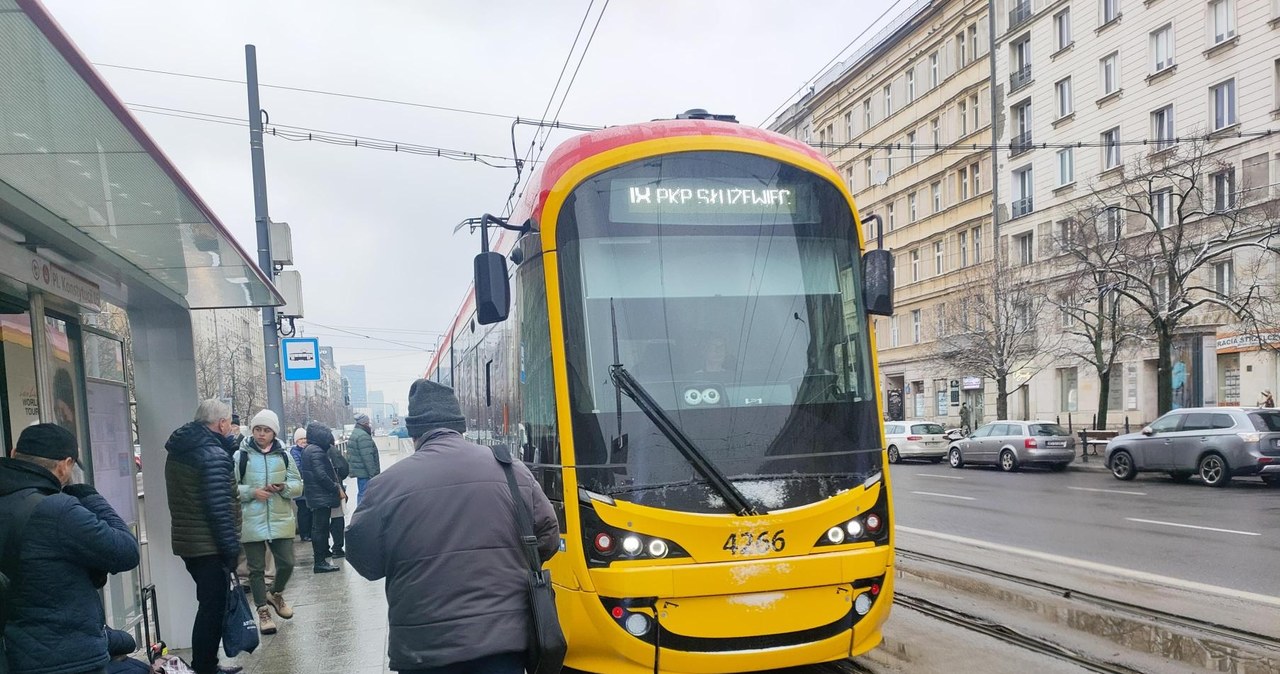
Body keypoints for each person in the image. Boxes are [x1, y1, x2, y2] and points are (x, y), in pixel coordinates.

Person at [347, 379, 559, 674]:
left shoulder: (386, 485)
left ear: (414, 433)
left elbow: (364, 561)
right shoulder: (512, 470)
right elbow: (547, 536)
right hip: (504, 642)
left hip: (424, 648)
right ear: (460, 427)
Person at [1, 424, 139, 674]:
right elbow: (126, 552)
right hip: (67, 658)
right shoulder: (58, 510)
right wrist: (86, 493)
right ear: (64, 465)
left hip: (14, 654)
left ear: (13, 454)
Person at [164, 399, 244, 674]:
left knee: (209, 605)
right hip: (209, 544)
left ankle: (207, 663)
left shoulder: (184, 448)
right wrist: (231, 550)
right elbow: (219, 508)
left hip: (191, 541)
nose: (232, 429)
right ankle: (205, 667)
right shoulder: (212, 455)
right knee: (212, 609)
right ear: (221, 423)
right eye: (230, 424)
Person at [233, 410, 303, 635]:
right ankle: (263, 610)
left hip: (280, 518)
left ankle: (276, 593)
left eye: (266, 430)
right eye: (258, 429)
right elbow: (230, 487)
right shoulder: (240, 456)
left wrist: (284, 488)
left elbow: (298, 484)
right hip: (251, 519)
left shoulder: (284, 455)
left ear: (274, 433)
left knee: (287, 562)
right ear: (252, 430)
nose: (261, 434)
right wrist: (253, 492)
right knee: (256, 569)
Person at [299, 422, 342, 573]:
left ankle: (321, 559)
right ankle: (320, 561)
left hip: (316, 495)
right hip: (321, 496)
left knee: (319, 528)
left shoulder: (309, 450)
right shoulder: (316, 451)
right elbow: (321, 475)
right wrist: (336, 488)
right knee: (320, 529)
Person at [346, 413, 380, 502]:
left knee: (362, 493)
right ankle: (362, 514)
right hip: (365, 472)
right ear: (364, 423)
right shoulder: (363, 436)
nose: (369, 425)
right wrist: (373, 474)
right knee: (365, 495)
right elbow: (367, 458)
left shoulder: (356, 433)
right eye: (368, 423)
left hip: (360, 472)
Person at [289, 428, 311, 543]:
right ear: (296, 441)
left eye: (305, 438)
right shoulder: (294, 452)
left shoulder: (307, 450)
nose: (303, 441)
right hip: (301, 487)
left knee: (309, 511)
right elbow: (298, 468)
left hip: (308, 487)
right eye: (301, 439)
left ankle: (309, 533)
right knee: (303, 511)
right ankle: (304, 534)